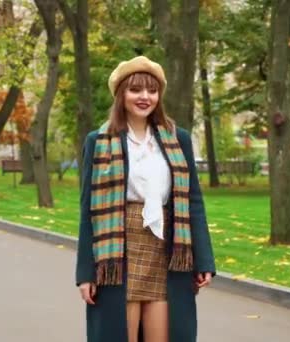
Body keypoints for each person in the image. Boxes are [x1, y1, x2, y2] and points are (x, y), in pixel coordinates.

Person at [76, 56, 215, 342]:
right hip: (118, 249)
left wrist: (203, 260)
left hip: (166, 248)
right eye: (135, 90)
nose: (144, 97)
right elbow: (88, 210)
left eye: (152, 91)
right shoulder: (98, 141)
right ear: (121, 94)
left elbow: (193, 201)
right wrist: (86, 273)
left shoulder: (178, 139)